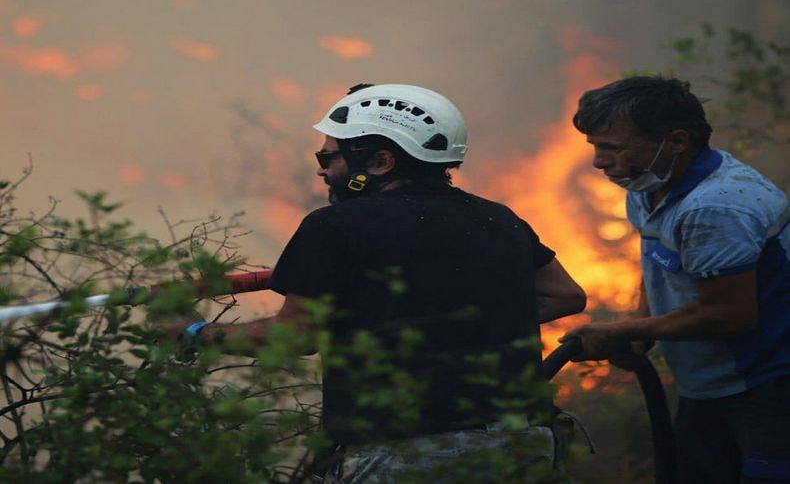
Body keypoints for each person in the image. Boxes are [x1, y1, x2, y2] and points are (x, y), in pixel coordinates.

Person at [173, 83, 587, 482]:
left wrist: (195, 332)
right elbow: (566, 295)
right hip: (524, 446)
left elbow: (295, 337)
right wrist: (470, 321)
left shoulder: (333, 227)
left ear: (380, 162)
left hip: (407, 455)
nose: (321, 167)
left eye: (329, 156)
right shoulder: (500, 218)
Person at [561, 76, 790, 483]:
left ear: (677, 141)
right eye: (595, 146)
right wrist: (640, 323)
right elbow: (660, 263)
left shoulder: (716, 207)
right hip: (708, 388)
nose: (598, 161)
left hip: (767, 388)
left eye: (612, 148)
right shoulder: (648, 183)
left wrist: (625, 329)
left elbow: (730, 315)